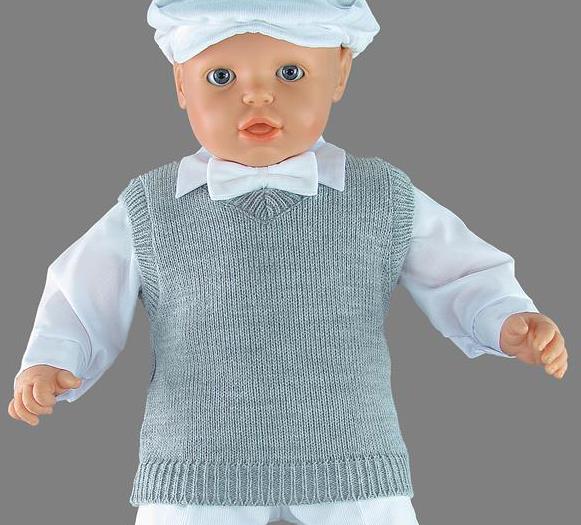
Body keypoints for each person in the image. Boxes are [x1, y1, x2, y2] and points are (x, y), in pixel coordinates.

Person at [8, 2, 568, 524]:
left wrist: (503, 319)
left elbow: (461, 271)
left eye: (291, 73)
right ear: (180, 83)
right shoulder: (152, 206)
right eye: (220, 77)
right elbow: (81, 294)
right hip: (195, 466)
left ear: (340, 73)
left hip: (352, 461)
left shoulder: (380, 195)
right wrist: (55, 359)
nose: (257, 97)